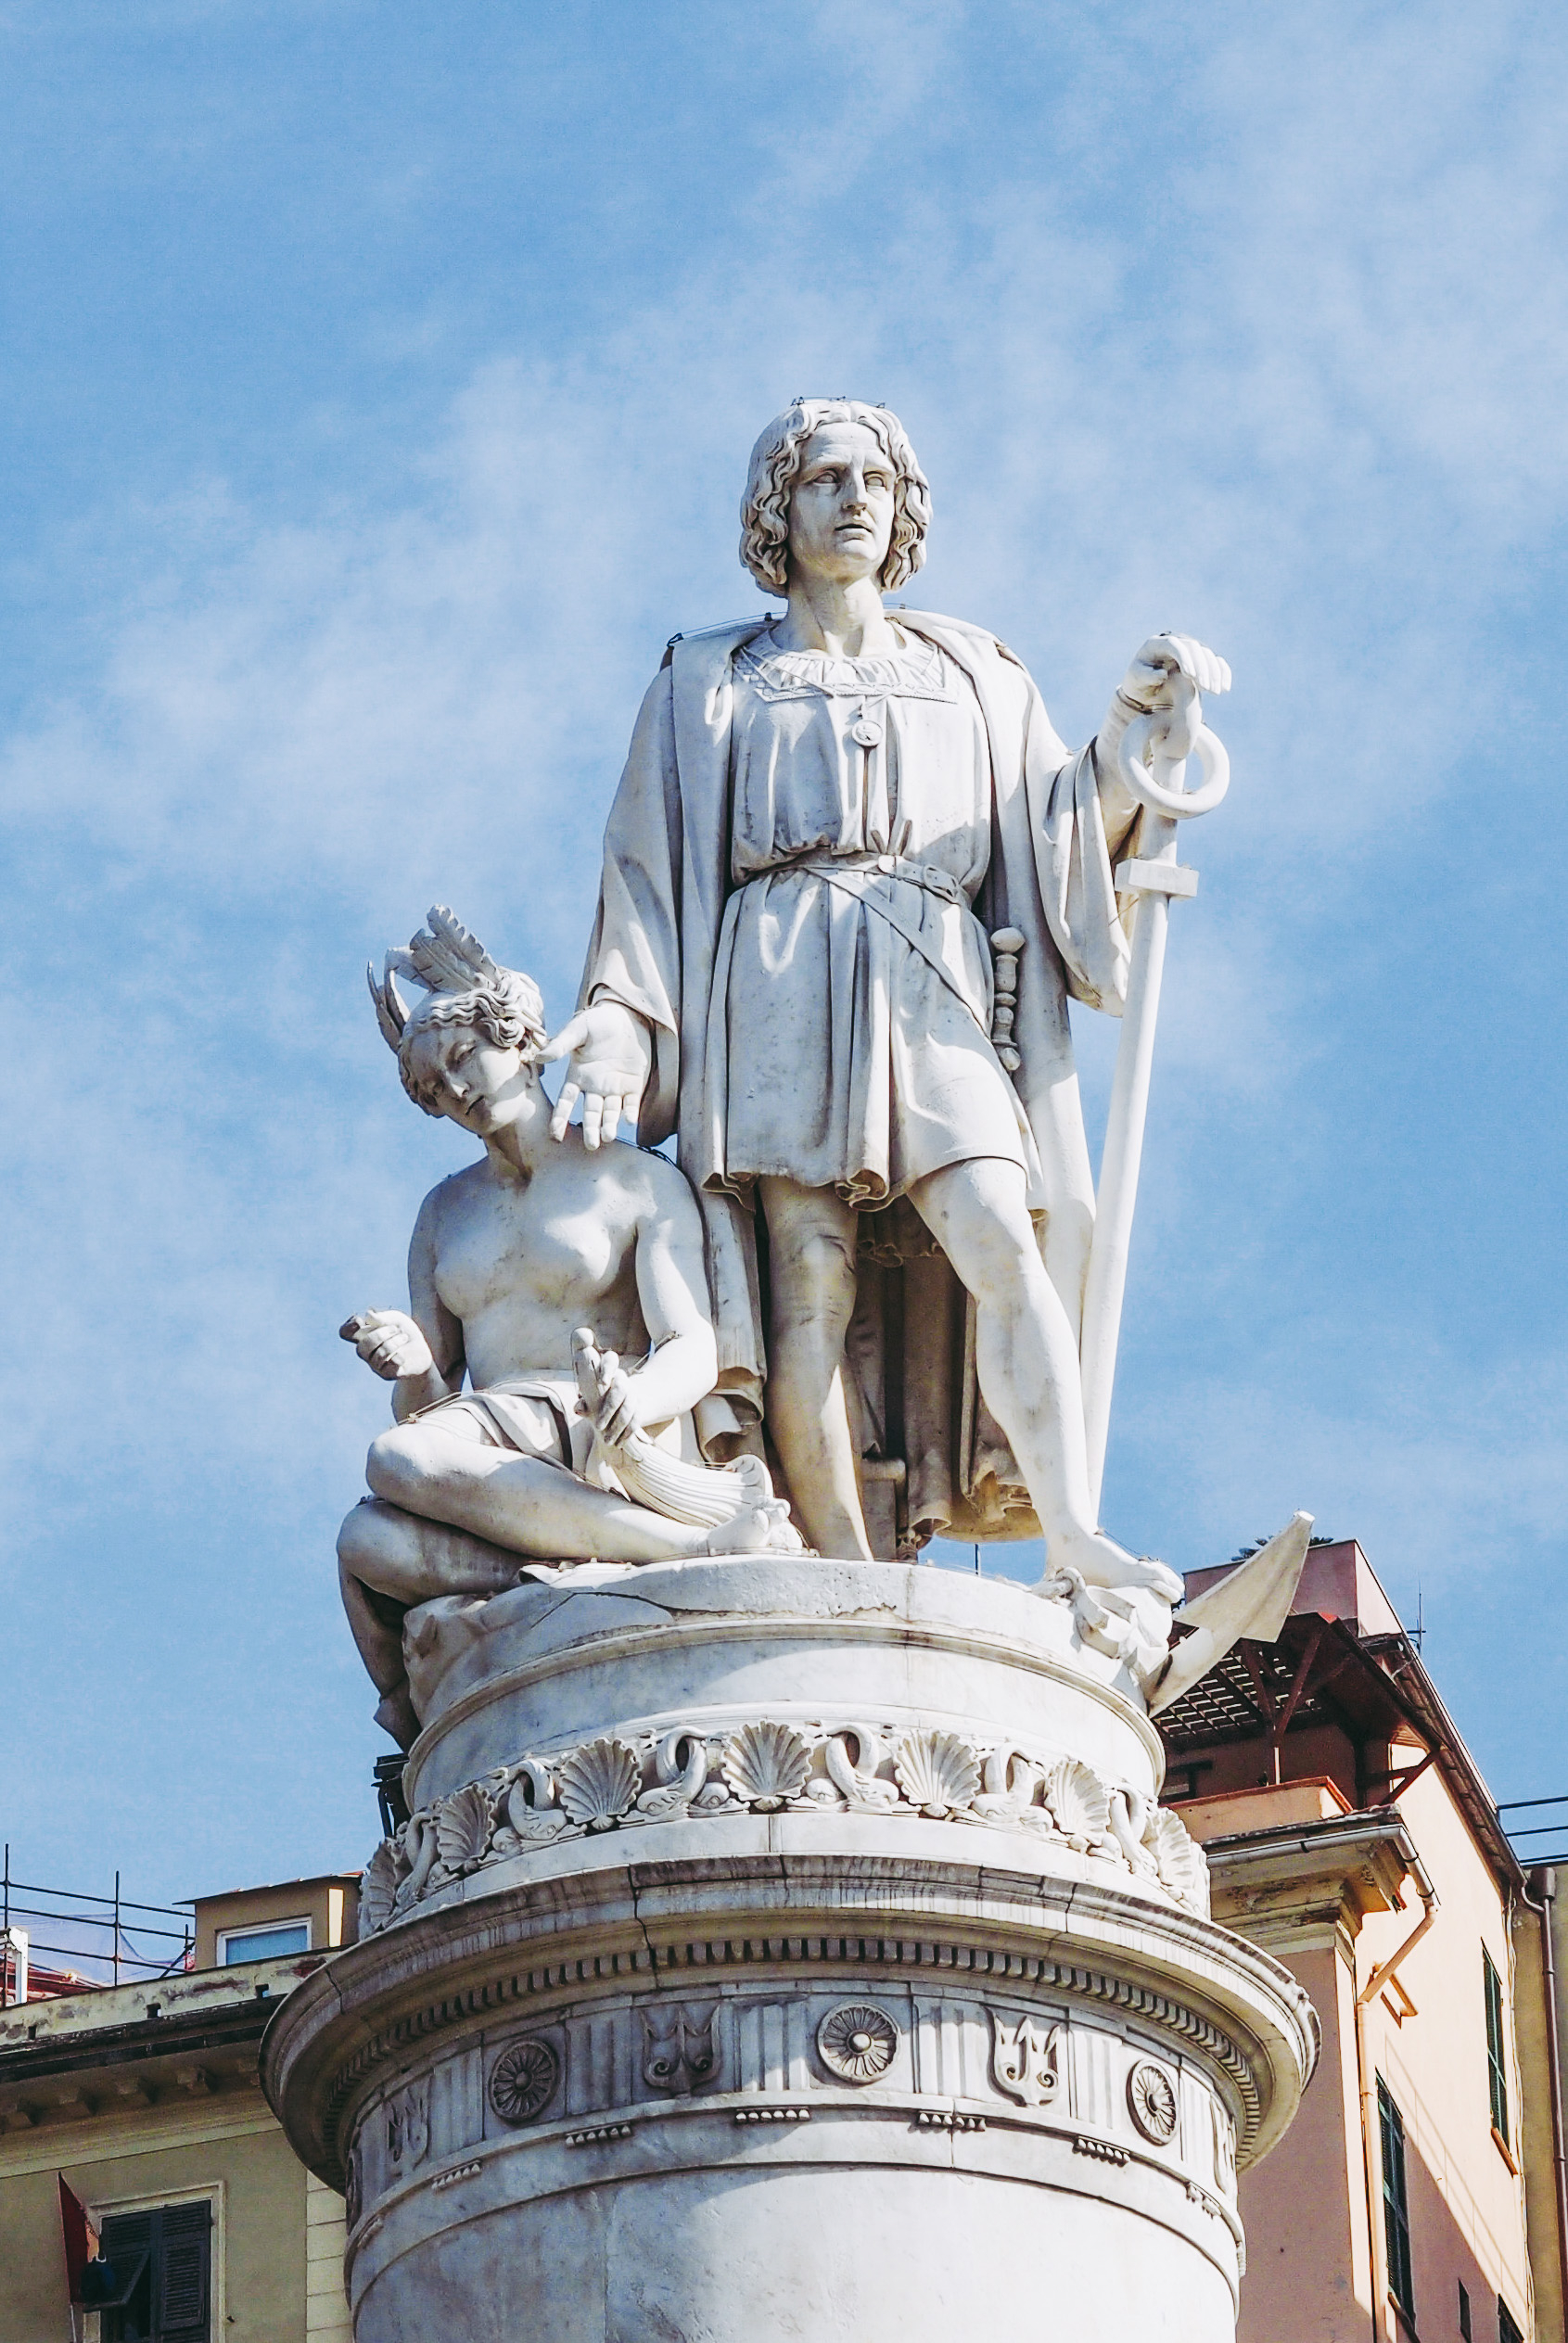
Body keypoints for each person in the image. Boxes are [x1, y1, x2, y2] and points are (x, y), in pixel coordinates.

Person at [545, 399, 1226, 1590]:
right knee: (804, 1283)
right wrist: (615, 1018)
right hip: (774, 971)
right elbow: (645, 871)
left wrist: (1131, 736)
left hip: (929, 962)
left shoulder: (973, 670)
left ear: (903, 507)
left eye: (875, 479)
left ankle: (1071, 1528)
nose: (854, 498)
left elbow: (1058, 831)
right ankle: (840, 1569)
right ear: (778, 508)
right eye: (822, 479)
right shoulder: (710, 680)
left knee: (1002, 1243)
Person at [338, 907, 797, 1747]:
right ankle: (646, 1558)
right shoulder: (442, 1212)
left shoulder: (632, 1180)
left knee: (390, 1460)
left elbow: (692, 1343)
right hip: (486, 1436)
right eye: (433, 1088)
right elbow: (430, 1405)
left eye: (461, 1058)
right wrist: (410, 1363)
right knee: (364, 1540)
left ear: (515, 1035)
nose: (457, 1091)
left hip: (594, 1421)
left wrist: (627, 1406)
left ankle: (672, 1546)